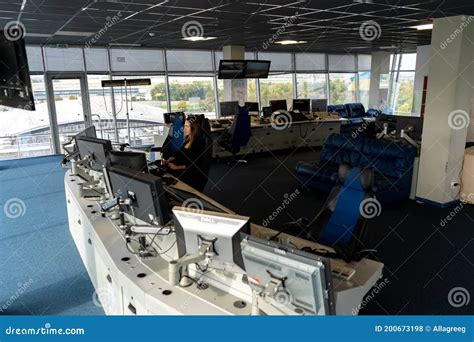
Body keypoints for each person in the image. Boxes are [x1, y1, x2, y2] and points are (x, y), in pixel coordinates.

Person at [162, 115, 207, 189]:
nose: (183, 129)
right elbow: (181, 152)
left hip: (191, 174)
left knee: (167, 181)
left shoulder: (198, 143)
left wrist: (176, 167)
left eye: (186, 126)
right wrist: (172, 158)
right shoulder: (188, 138)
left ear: (193, 129)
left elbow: (194, 164)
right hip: (183, 169)